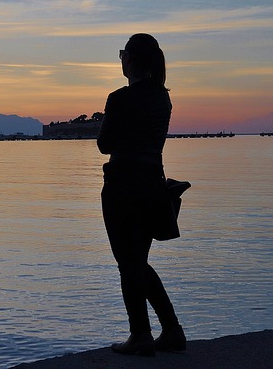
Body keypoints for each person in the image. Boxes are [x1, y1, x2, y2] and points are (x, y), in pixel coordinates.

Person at [97, 33, 186, 357]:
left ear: (130, 59)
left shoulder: (119, 98)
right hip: (151, 183)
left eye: (122, 54)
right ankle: (172, 330)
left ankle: (141, 334)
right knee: (138, 261)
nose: (120, 59)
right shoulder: (163, 98)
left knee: (128, 263)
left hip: (122, 185)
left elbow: (105, 144)